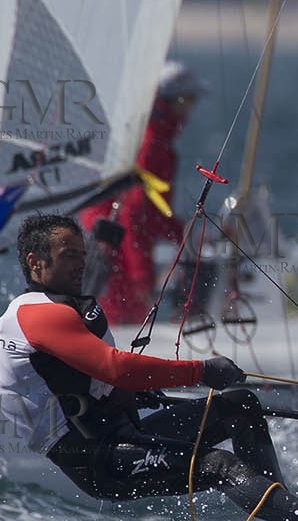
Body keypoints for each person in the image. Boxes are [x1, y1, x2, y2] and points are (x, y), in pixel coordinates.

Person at [0, 214, 298, 521]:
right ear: (35, 263)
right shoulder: (37, 315)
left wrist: (132, 394)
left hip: (123, 431)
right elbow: (114, 368)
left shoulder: (55, 308)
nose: (80, 264)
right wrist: (201, 371)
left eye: (81, 254)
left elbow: (82, 381)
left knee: (240, 405)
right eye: (68, 256)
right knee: (219, 466)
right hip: (98, 459)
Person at [78, 61, 206, 325]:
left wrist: (182, 234)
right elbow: (134, 213)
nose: (194, 107)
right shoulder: (152, 142)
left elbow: (150, 210)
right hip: (114, 250)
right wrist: (141, 278)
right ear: (177, 99)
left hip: (116, 241)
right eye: (191, 99)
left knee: (123, 321)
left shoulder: (153, 134)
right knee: (120, 323)